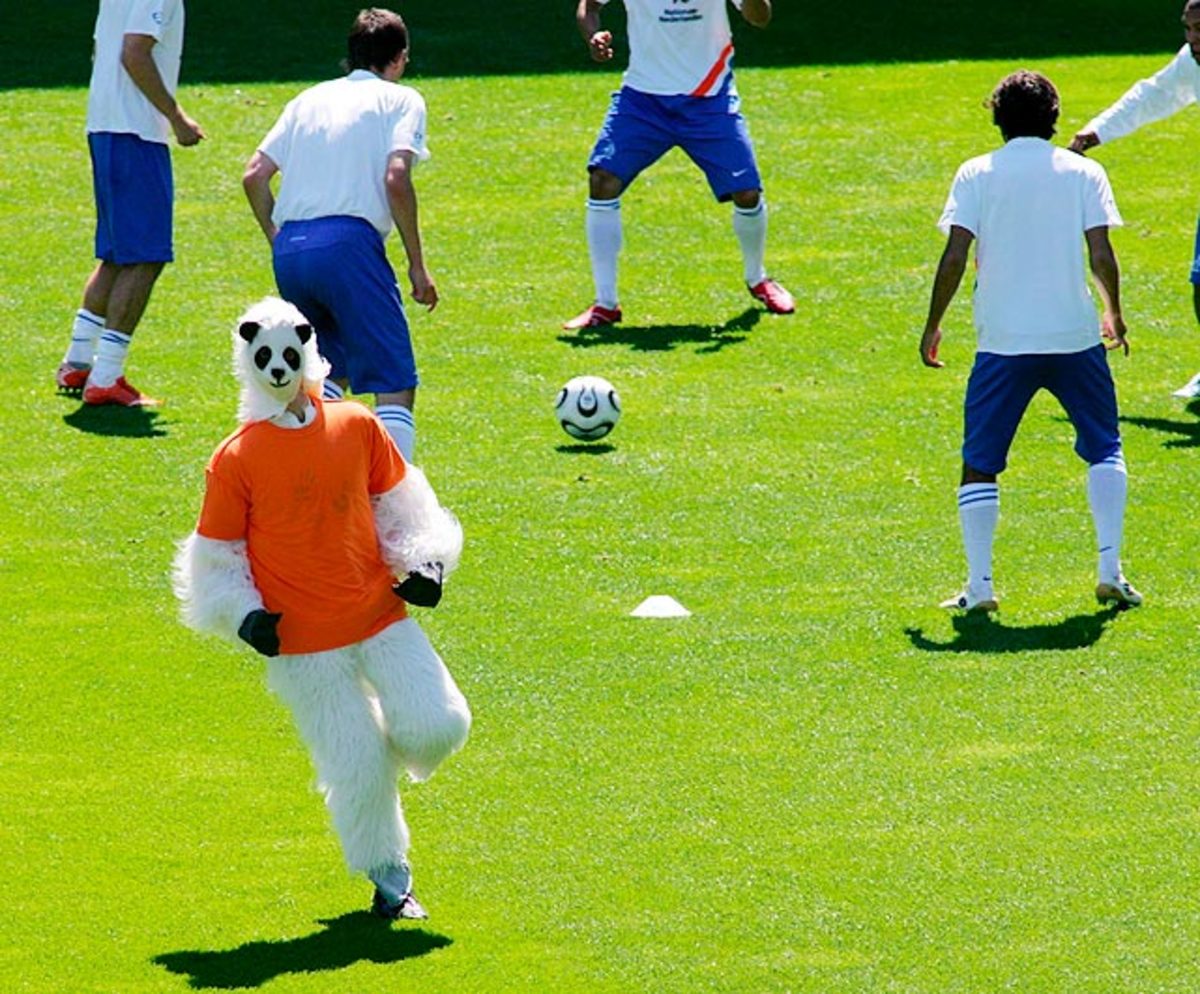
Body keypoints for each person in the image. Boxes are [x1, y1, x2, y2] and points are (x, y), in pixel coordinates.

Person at [920, 70, 1143, 613]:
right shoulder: (1084, 172)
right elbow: (1101, 254)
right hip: (1073, 336)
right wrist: (1113, 313)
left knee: (980, 461)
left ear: (998, 117)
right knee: (1104, 447)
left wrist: (932, 324)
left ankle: (980, 587)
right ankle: (1110, 570)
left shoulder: (975, 173)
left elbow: (954, 257)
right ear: (1054, 117)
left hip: (1003, 342)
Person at [242, 7, 435, 463]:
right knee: (393, 380)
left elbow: (254, 176)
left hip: (292, 250)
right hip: (349, 248)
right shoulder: (401, 100)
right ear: (399, 58)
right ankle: (394, 494)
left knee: (325, 371)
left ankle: (313, 483)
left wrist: (278, 238)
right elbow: (396, 178)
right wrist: (417, 264)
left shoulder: (307, 99)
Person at [563, 0, 794, 331]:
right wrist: (593, 36)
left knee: (747, 193)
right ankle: (605, 304)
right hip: (642, 100)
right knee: (602, 180)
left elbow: (760, 18)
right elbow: (588, 6)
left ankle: (757, 279)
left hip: (709, 99)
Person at [57, 0, 205, 407]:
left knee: (116, 255)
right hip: (135, 133)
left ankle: (78, 361)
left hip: (105, 126)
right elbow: (134, 51)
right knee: (146, 257)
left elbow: (100, 50)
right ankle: (106, 377)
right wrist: (177, 117)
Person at [1070, 0, 1200, 397]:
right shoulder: (1192, 61)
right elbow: (1153, 95)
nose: (1193, 39)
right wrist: (1096, 132)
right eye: (1188, 28)